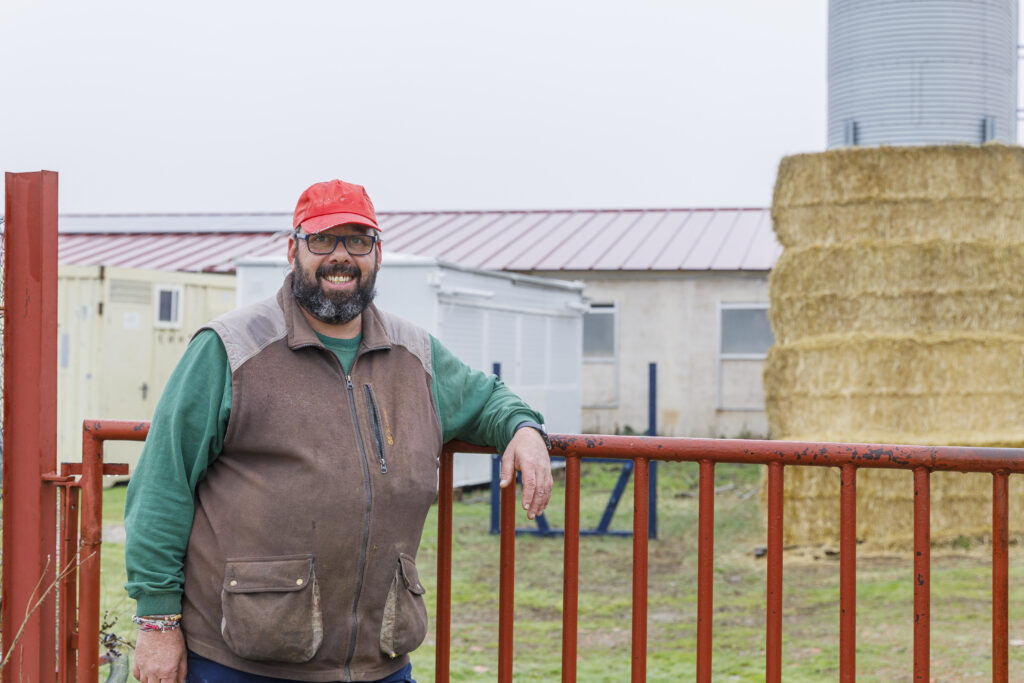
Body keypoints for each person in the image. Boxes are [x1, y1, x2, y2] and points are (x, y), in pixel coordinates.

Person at [124, 179, 553, 683]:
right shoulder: (231, 349)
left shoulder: (414, 355)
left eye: (358, 241)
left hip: (378, 661)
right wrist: (156, 623)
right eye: (323, 240)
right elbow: (162, 483)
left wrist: (525, 430)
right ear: (293, 250)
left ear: (377, 253)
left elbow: (488, 398)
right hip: (241, 658)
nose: (341, 257)